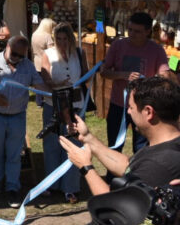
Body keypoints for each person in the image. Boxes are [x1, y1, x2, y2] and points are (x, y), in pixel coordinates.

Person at [60, 76, 180, 195]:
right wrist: (87, 138)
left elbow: (115, 207)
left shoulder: (158, 164)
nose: (128, 111)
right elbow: (129, 167)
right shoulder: (168, 144)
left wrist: (85, 167)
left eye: (131, 107)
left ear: (148, 112)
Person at [0, 35, 46, 208]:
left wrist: (56, 88)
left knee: (15, 154)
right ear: (7, 47)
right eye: (14, 53)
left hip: (17, 117)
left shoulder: (28, 66)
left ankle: (13, 188)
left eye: (21, 56)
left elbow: (40, 85)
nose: (17, 58)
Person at [100, 12, 171, 157]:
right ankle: (112, 179)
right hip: (119, 106)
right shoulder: (118, 45)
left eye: (137, 31)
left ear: (148, 31)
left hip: (143, 108)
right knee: (114, 147)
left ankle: (138, 179)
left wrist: (152, 81)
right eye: (130, 29)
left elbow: (165, 76)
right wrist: (123, 75)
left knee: (142, 150)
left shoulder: (156, 50)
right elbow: (104, 72)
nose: (132, 34)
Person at [40, 22, 87, 203]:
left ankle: (70, 187)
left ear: (70, 39)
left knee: (73, 144)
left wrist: (89, 74)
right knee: (52, 144)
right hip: (53, 103)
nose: (61, 42)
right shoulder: (48, 54)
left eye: (64, 38)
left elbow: (86, 75)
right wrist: (57, 85)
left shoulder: (79, 53)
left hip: (75, 103)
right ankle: (51, 184)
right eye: (58, 38)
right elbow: (45, 79)